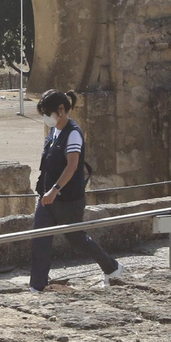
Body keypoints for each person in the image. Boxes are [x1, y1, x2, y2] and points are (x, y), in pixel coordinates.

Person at [29, 89, 124, 292]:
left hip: (67, 199)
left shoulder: (73, 134)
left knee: (77, 239)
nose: (46, 118)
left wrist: (55, 189)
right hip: (47, 198)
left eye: (48, 113)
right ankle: (37, 286)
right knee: (39, 238)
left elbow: (72, 166)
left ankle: (112, 267)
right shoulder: (54, 132)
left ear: (61, 110)